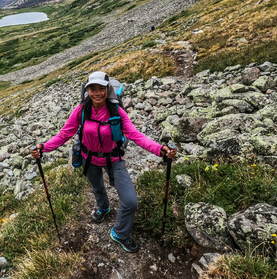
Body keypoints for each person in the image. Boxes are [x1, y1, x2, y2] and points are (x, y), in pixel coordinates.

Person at [30, 71, 177, 253]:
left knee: (130, 202)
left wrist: (159, 149)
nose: (97, 93)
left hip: (113, 159)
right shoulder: (81, 110)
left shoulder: (117, 111)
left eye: (101, 88)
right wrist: (43, 147)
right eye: (93, 89)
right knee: (97, 187)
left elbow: (136, 135)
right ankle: (103, 208)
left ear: (108, 90)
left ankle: (120, 233)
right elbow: (64, 134)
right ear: (87, 90)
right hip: (89, 158)